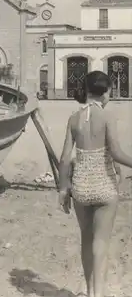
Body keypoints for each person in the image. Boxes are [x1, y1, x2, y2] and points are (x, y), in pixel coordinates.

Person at [58, 70, 132, 297]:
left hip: (81, 186)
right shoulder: (108, 116)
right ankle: (97, 294)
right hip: (104, 185)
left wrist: (63, 189)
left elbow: (64, 159)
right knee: (101, 243)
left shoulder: (73, 119)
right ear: (106, 92)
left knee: (86, 239)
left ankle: (89, 290)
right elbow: (117, 153)